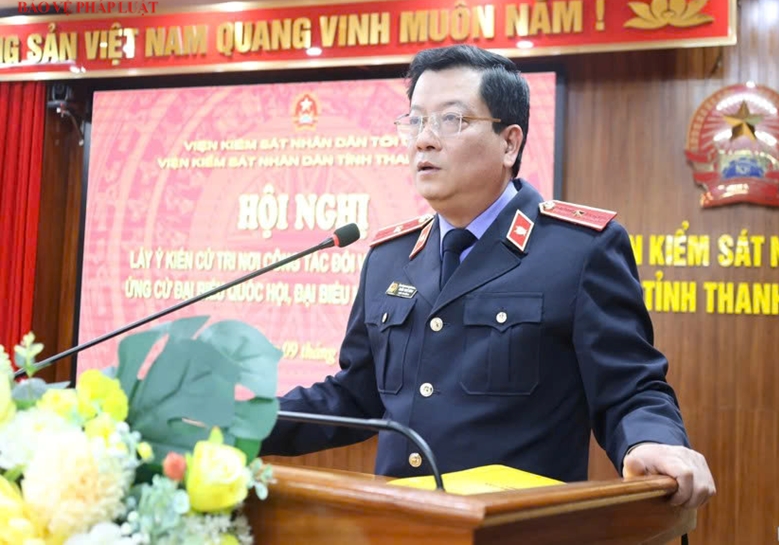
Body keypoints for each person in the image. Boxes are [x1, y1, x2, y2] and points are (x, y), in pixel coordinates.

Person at [261, 44, 715, 509]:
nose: (424, 140)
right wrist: (238, 424)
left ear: (509, 143)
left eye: (451, 120)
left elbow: (631, 388)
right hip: (396, 526)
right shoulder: (389, 257)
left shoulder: (579, 250)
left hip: (517, 529)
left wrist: (652, 440)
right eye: (415, 121)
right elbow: (353, 396)